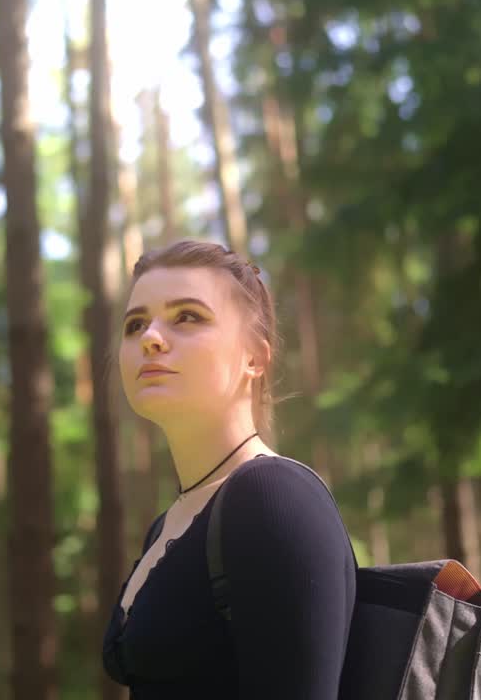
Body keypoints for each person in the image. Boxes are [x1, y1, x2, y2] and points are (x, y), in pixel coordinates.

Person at [102, 239, 355, 698]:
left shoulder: (273, 497)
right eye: (135, 324)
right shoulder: (170, 524)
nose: (150, 338)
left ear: (254, 358)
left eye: (187, 316)